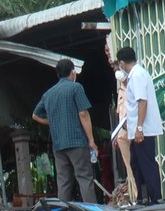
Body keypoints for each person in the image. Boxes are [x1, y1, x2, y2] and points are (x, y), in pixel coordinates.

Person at [32, 59, 98, 203]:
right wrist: (91, 140)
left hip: (59, 145)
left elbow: (35, 115)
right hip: (77, 142)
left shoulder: (48, 94)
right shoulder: (76, 88)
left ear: (57, 74)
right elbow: (83, 114)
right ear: (73, 72)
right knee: (84, 177)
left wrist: (51, 121)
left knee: (63, 182)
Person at [117, 47, 164, 205]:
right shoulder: (136, 74)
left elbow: (142, 101)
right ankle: (142, 197)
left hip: (143, 130)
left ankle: (155, 198)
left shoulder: (137, 76)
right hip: (137, 130)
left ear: (122, 63)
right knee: (136, 164)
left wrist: (139, 128)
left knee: (147, 163)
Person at [112, 64, 138, 203]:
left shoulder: (135, 84)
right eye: (115, 71)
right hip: (123, 134)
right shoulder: (120, 90)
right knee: (130, 169)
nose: (117, 73)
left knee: (143, 165)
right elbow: (119, 114)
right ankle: (137, 197)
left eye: (118, 70)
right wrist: (117, 135)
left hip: (137, 132)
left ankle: (150, 196)